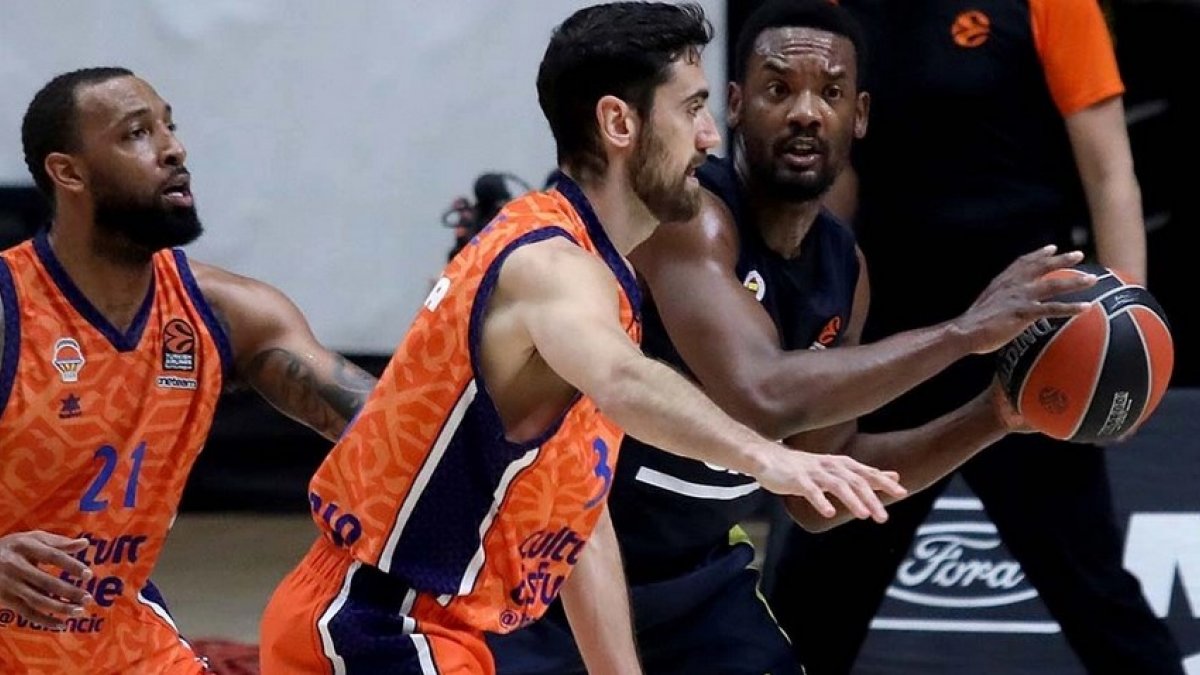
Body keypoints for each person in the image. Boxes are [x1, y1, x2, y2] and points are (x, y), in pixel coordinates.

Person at [256, 4, 909, 675]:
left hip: (440, 626)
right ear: (620, 123)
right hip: (378, 624)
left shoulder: (606, 275)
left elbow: (578, 518)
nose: (711, 135)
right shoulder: (550, 263)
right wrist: (768, 458)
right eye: (691, 109)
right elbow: (625, 380)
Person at [488, 1, 1097, 674]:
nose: (806, 112)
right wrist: (963, 334)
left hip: (698, 585)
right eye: (779, 89)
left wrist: (994, 415)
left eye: (830, 93)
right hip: (560, 566)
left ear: (859, 115)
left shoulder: (844, 269)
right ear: (735, 106)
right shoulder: (689, 218)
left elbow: (817, 496)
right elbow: (760, 393)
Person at [769, 1, 1187, 674]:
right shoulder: (843, 9)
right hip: (893, 343)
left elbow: (1109, 172)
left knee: (1091, 587)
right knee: (816, 593)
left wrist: (1131, 336)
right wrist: (811, 312)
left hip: (1034, 339)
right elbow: (841, 176)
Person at [0, 67, 378, 674]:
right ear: (68, 172)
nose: (173, 148)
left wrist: (474, 335)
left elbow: (396, 431)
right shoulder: (10, 308)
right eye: (136, 133)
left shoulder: (228, 312)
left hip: (120, 641)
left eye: (168, 127)